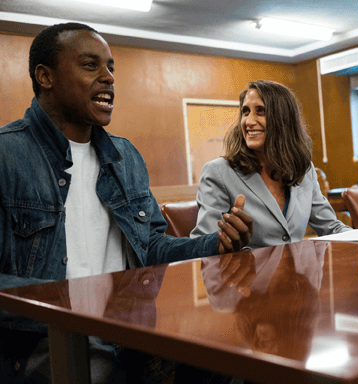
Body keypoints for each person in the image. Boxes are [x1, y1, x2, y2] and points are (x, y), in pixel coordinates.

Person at [0, 22, 252, 383]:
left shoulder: (125, 156)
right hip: (47, 344)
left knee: (232, 358)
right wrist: (66, 305)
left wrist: (216, 244)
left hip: (133, 336)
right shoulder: (7, 155)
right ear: (45, 77)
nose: (108, 78)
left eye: (111, 68)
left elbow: (150, 248)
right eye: (91, 65)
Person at [190, 80, 351, 249]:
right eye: (245, 112)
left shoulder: (305, 170)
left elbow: (332, 228)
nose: (249, 121)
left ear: (283, 119)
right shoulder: (218, 172)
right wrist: (240, 250)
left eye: (261, 112)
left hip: (300, 275)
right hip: (250, 274)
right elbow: (203, 245)